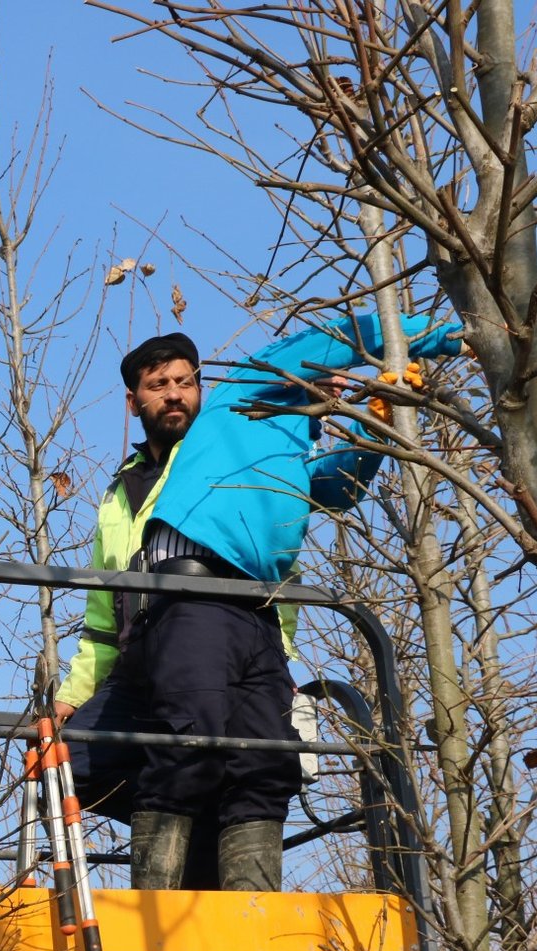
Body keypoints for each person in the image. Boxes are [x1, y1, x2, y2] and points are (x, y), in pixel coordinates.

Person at [122, 312, 460, 893]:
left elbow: (336, 489)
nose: (336, 382)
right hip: (193, 590)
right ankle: (154, 934)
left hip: (257, 612)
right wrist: (437, 335)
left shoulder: (288, 448)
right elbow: (331, 340)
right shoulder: (240, 400)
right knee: (189, 743)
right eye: (327, 376)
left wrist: (377, 425)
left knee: (268, 762)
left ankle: (252, 932)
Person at [52, 332, 224, 887]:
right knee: (67, 762)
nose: (174, 394)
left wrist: (282, 656)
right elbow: (102, 614)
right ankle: (185, 828)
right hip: (135, 667)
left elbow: (276, 569)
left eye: (185, 382)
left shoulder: (218, 466)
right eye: (158, 385)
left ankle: (188, 896)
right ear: (134, 402)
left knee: (201, 770)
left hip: (208, 660)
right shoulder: (117, 491)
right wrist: (73, 695)